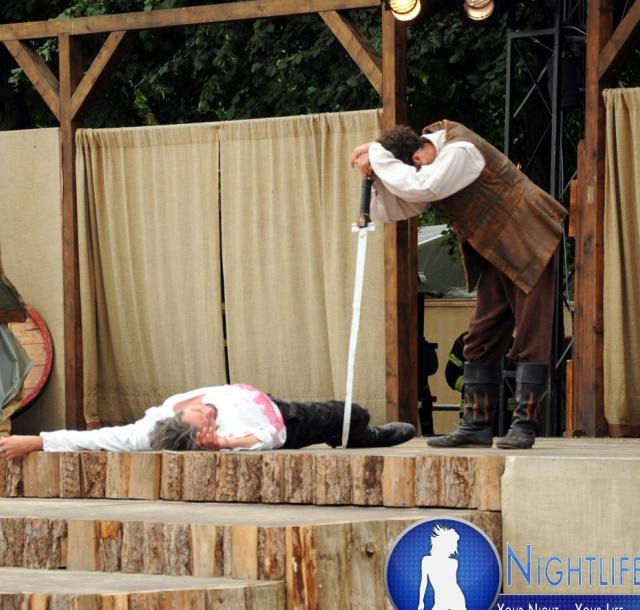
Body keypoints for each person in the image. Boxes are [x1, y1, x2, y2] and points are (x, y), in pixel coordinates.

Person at [350, 121, 566, 449]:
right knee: (480, 338)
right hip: (497, 250)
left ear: (418, 157)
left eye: (414, 167)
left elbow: (421, 188)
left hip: (531, 238)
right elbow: (400, 206)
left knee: (530, 336)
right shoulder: (433, 164)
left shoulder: (460, 151)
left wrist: (377, 152)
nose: (417, 172)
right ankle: (477, 425)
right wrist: (378, 175)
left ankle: (524, 425)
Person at [0, 383, 415, 460]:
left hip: (262, 396)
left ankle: (350, 431)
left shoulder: (152, 423)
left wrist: (35, 440)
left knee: (342, 414)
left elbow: (98, 437)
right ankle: (365, 435)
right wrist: (228, 444)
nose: (210, 411)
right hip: (286, 420)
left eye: (203, 413)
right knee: (352, 413)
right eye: (208, 420)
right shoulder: (221, 435)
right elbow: (269, 438)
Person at [445, 331, 516, 436]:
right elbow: (451, 374)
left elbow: (520, 375)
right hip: (473, 409)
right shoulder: (464, 341)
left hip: (506, 414)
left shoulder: (510, 342)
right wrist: (470, 388)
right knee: (474, 441)